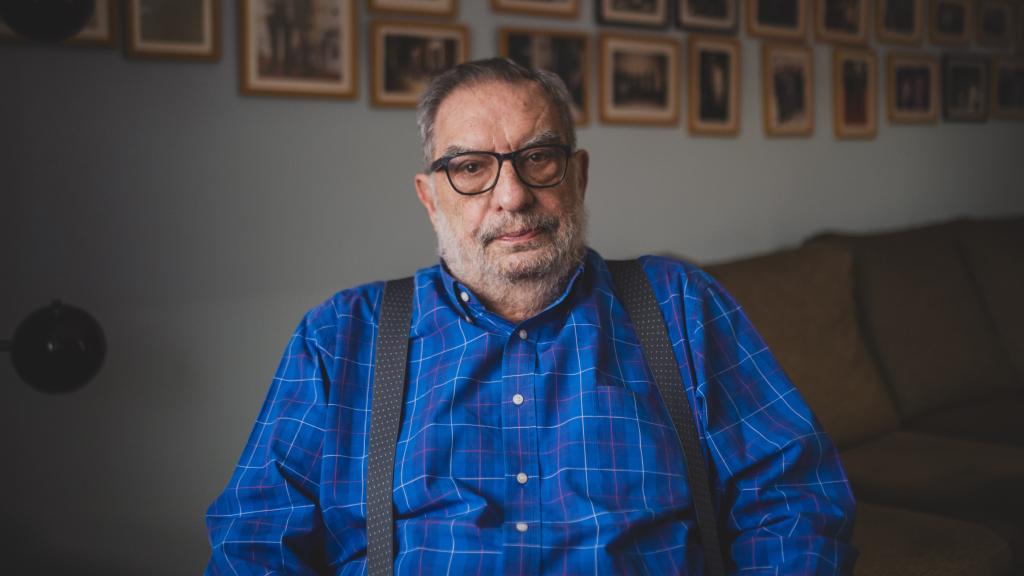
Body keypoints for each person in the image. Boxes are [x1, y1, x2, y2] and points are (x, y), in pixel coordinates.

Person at [205, 58, 856, 574]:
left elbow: (796, 501)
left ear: (577, 175)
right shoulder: (341, 338)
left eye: (536, 158)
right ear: (430, 197)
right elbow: (254, 542)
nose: (511, 195)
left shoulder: (680, 307)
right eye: (470, 168)